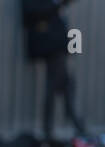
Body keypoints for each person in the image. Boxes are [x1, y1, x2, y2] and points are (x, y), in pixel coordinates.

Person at [21, 0, 87, 139]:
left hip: (57, 44)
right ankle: (60, 125)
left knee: (65, 82)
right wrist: (55, 4)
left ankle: (71, 121)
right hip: (48, 44)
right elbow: (30, 12)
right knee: (55, 84)